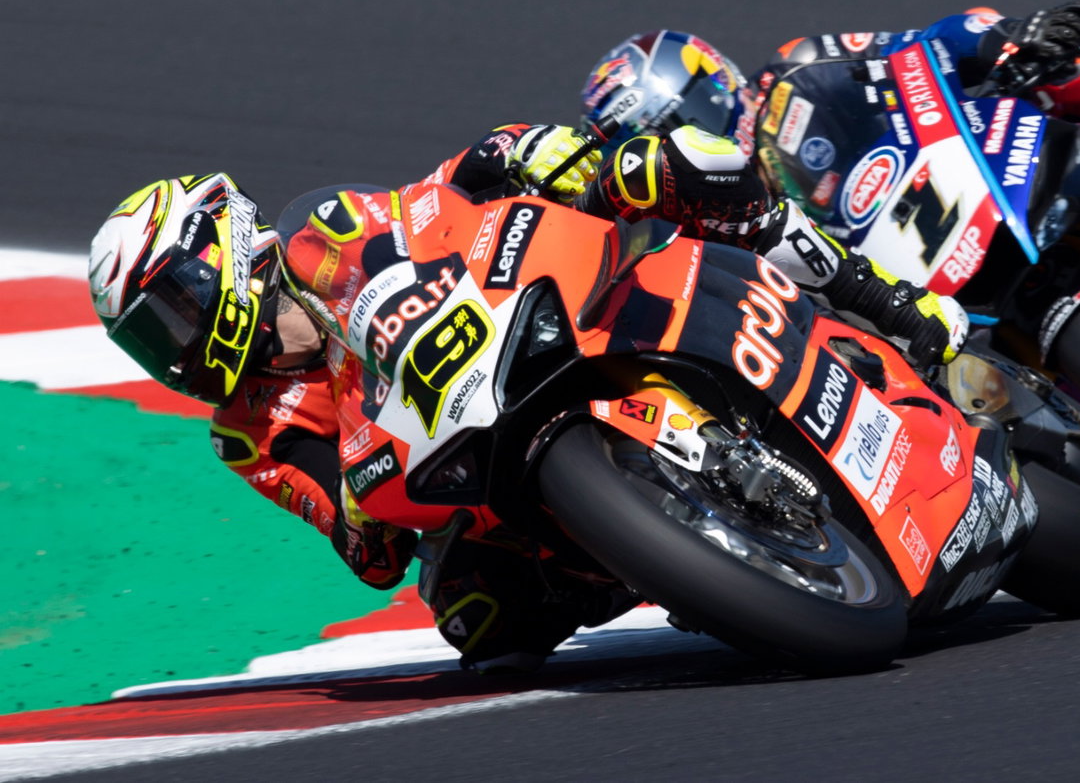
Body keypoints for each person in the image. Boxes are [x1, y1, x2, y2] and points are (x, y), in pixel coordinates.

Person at [87, 122, 966, 673]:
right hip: (456, 451)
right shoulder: (246, 433)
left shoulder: (324, 234)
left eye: (171, 309)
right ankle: (685, 550)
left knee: (667, 163)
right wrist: (364, 505)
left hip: (520, 322)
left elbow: (430, 207)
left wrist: (510, 158)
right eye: (148, 339)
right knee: (476, 614)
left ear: (223, 251)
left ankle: (877, 296)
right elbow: (364, 547)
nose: (173, 346)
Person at [580, 11, 1080, 281]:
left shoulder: (798, 63)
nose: (681, 144)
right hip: (907, 291)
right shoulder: (711, 234)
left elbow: (923, 39)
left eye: (678, 118)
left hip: (980, 170)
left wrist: (1004, 41)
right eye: (655, 141)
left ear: (710, 82)